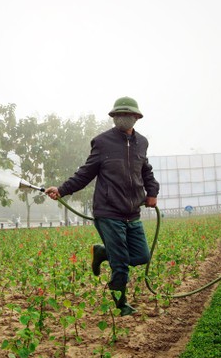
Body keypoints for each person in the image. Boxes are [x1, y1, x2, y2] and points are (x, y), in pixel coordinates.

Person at [45, 97, 159, 316]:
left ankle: (102, 252)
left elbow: (146, 171)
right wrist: (62, 189)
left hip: (133, 211)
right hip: (108, 211)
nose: (122, 119)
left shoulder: (142, 143)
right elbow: (86, 172)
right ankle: (120, 304)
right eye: (118, 115)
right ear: (113, 117)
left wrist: (152, 192)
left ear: (136, 117)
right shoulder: (102, 142)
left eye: (127, 115)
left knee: (142, 256)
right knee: (121, 263)